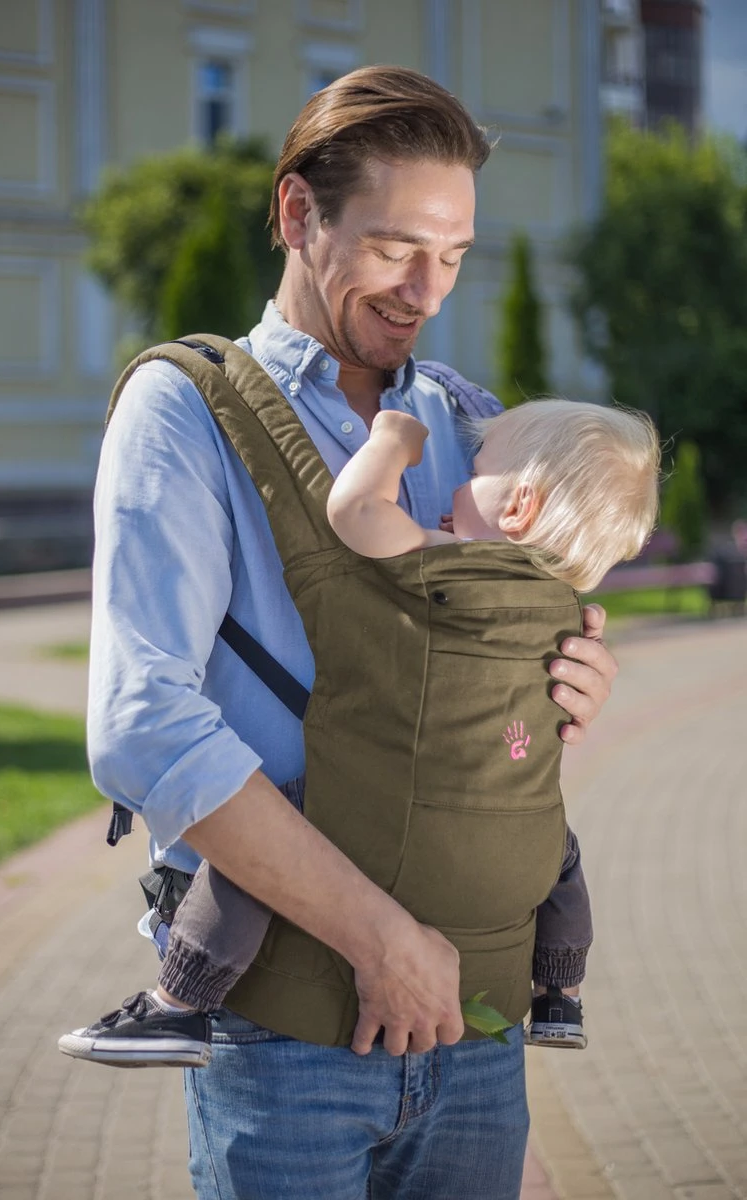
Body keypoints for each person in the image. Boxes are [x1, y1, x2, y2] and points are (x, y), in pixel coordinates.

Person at [72, 66, 620, 1200]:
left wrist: (567, 677)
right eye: (394, 248)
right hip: (282, 1028)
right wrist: (383, 941)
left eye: (454, 256)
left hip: (472, 1031)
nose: (427, 289)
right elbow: (144, 723)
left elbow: (496, 672)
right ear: (295, 215)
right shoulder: (187, 409)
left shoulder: (475, 426)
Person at [59, 396, 658, 1069]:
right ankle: (560, 995)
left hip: (384, 798)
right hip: (498, 827)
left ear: (516, 509)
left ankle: (181, 1002)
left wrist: (393, 442)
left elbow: (356, 512)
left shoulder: (446, 564)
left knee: (264, 838)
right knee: (561, 856)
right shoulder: (567, 612)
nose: (455, 480)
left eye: (475, 469)